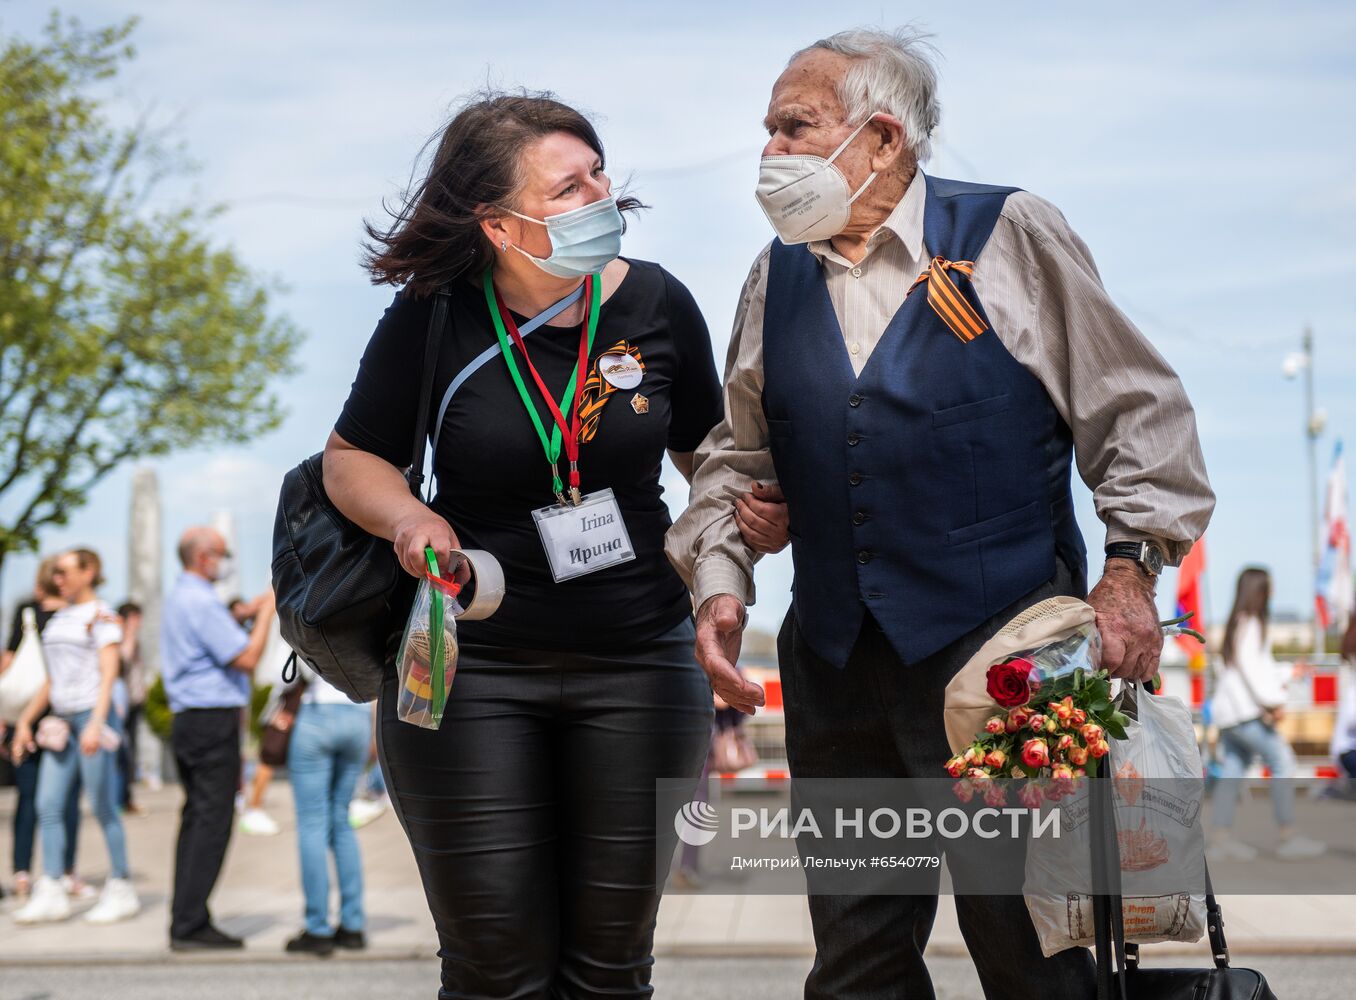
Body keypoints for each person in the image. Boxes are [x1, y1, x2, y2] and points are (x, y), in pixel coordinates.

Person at [666, 28, 1216, 1000]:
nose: (769, 152)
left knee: (1029, 948)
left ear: (882, 138)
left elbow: (1136, 407)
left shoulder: (1009, 233)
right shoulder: (773, 275)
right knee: (856, 960)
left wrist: (1130, 568)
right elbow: (734, 458)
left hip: (1009, 667)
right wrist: (721, 582)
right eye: (766, 130)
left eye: (795, 126)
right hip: (838, 670)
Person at [324, 90, 769, 998]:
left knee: (612, 972)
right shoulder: (437, 313)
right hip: (469, 670)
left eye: (598, 170)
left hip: (641, 664)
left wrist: (744, 521)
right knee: (497, 972)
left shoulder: (655, 301)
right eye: (570, 186)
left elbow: (709, 457)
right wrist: (410, 518)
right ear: (499, 224)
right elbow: (353, 458)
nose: (601, 192)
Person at [161, 527, 276, 950]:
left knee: (196, 820)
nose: (227, 561)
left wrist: (251, 609)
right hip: (212, 720)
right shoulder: (201, 601)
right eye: (223, 554)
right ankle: (190, 924)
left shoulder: (183, 595)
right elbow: (245, 657)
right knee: (212, 823)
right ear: (204, 557)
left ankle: (187, 916)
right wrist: (267, 615)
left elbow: (220, 631)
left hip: (192, 719)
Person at [11, 548, 140, 924]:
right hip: (62, 722)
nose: (58, 578)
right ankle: (51, 886)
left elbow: (108, 672)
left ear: (90, 572)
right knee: (47, 805)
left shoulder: (101, 618)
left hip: (91, 719)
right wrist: (25, 721)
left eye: (65, 571)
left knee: (102, 806)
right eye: (55, 572)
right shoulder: (58, 619)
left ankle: (121, 885)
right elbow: (52, 680)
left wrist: (98, 723)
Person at [1208, 567, 1325, 860]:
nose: (1273, 592)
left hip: (1231, 713)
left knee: (1233, 770)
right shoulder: (1252, 625)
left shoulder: (1240, 623)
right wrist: (1273, 703)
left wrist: (1288, 673)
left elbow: (1258, 668)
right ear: (1258, 591)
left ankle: (1220, 840)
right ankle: (1288, 836)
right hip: (1245, 713)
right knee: (1283, 761)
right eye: (1269, 587)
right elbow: (1254, 673)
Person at [1, 557, 83, 901]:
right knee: (59, 800)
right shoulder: (68, 614)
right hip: (52, 717)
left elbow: (7, 661)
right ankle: (60, 871)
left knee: (34, 798)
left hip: (33, 718)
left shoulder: (32, 613)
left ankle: (28, 872)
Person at [278, 665, 371, 956]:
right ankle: (353, 925)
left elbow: (279, 672)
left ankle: (318, 927)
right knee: (342, 821)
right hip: (357, 715)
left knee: (312, 822)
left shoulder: (303, 614)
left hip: (317, 712)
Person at [115, 602, 148, 816]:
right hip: (120, 705)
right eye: (137, 618)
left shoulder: (135, 641)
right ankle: (119, 800)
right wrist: (128, 633)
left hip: (134, 703)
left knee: (130, 753)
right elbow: (123, 660)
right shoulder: (118, 638)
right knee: (121, 754)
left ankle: (126, 798)